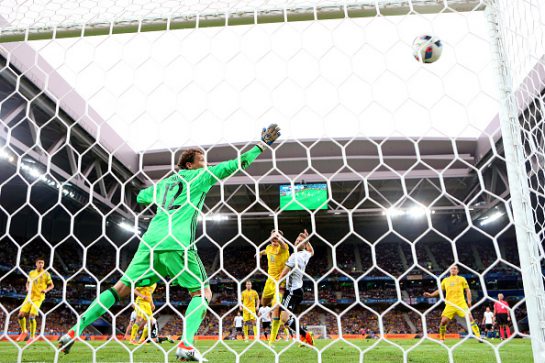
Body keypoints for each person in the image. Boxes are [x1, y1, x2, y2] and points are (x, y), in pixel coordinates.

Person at [58, 124, 281, 362]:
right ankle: (186, 345)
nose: (205, 163)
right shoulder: (199, 177)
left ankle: (75, 330)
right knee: (203, 292)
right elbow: (232, 166)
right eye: (202, 159)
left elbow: (142, 197)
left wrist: (160, 193)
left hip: (150, 241)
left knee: (120, 289)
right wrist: (261, 145)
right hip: (178, 240)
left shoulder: (164, 184)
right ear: (189, 165)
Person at [268, 229, 314, 346]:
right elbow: (311, 251)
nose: (297, 242)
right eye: (297, 240)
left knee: (284, 319)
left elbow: (283, 274)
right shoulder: (305, 254)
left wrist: (277, 285)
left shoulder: (294, 257)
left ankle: (306, 335)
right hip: (298, 291)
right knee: (287, 318)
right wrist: (307, 240)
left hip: (292, 291)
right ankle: (304, 335)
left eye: (300, 241)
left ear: (303, 245)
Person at [423, 265, 481, 342]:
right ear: (449, 270)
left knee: (470, 318)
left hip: (461, 303)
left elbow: (468, 290)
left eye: (455, 268)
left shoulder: (462, 279)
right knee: (443, 322)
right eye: (452, 268)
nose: (453, 269)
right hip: (450, 304)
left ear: (457, 271)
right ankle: (442, 338)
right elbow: (439, 290)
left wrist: (469, 301)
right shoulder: (445, 280)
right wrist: (431, 295)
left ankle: (478, 336)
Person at [258, 230, 290, 341]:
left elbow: (283, 245)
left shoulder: (283, 247)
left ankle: (272, 339)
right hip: (269, 281)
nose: (275, 238)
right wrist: (259, 254)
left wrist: (278, 238)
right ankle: (276, 307)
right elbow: (265, 251)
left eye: (278, 236)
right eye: (273, 236)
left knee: (276, 306)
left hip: (281, 281)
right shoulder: (268, 248)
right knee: (263, 303)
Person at [17, 257, 54, 344]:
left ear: (44, 264)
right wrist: (27, 287)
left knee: (31, 316)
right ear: (36, 264)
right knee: (20, 315)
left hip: (38, 298)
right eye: (39, 262)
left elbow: (52, 285)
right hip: (29, 297)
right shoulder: (31, 273)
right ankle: (24, 331)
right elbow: (27, 282)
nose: (41, 264)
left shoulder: (46, 274)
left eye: (42, 263)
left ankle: (32, 337)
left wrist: (46, 290)